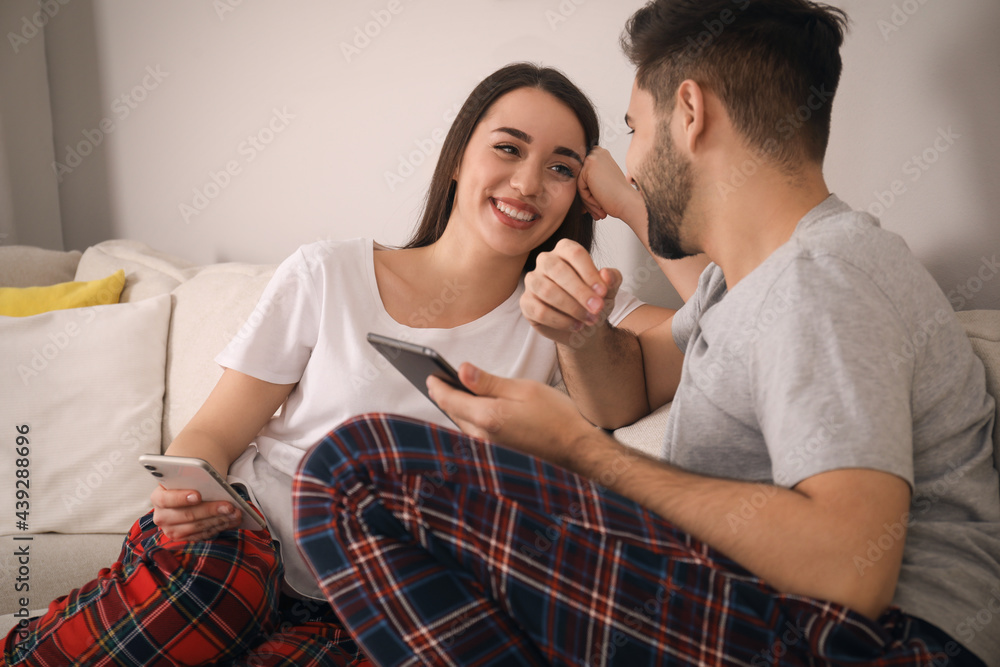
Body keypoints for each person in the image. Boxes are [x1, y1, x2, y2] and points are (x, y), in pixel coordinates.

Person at [292, 1, 1000, 665]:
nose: (625, 162)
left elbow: (850, 569)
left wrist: (576, 451)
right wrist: (580, 331)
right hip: (773, 609)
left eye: (633, 128)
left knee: (355, 467)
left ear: (689, 112)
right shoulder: (744, 283)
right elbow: (623, 394)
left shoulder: (823, 278)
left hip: (874, 640)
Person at [2, 63, 698, 667]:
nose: (526, 182)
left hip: (360, 597)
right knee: (220, 588)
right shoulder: (329, 273)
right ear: (459, 157)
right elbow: (212, 433)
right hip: (242, 544)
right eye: (508, 149)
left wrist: (635, 204)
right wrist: (189, 495)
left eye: (561, 168)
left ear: (581, 194)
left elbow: (723, 322)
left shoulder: (567, 305)